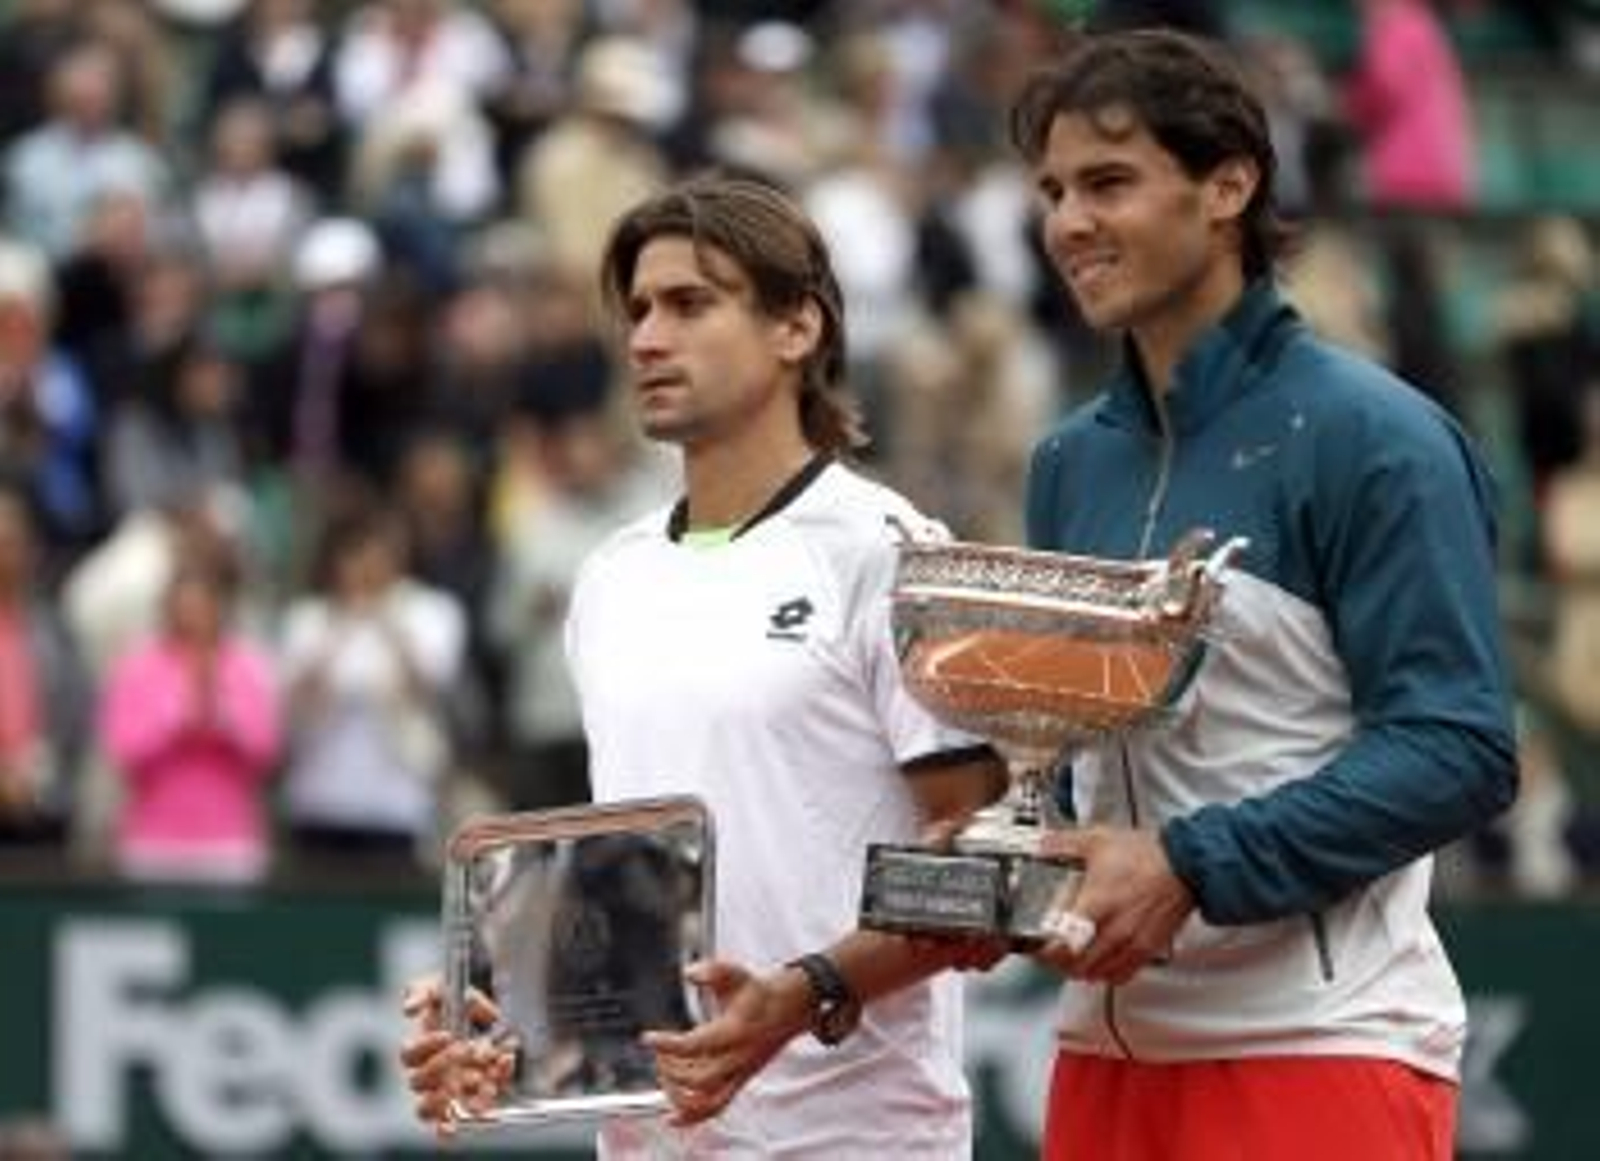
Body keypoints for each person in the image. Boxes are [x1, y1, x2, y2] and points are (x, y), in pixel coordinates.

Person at [633, 29, 1518, 1161]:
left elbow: (1457, 747)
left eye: (1108, 183)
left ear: (1228, 186)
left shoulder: (1373, 438)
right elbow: (1073, 783)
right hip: (1102, 1058)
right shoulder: (1068, 464)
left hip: (1321, 1046)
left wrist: (1190, 865)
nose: (1068, 223)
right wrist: (827, 975)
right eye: (1050, 190)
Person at [399, 175, 1009, 1157]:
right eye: (638, 310)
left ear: (794, 329)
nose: (645, 338)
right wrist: (504, 1010)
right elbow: (626, 883)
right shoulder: (610, 577)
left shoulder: (890, 552)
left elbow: (983, 868)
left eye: (690, 304)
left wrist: (803, 993)